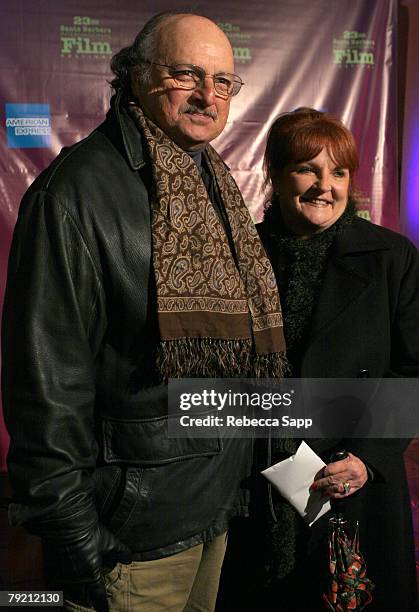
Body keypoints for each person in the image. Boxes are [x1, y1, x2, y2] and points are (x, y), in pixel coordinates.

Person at [1, 12, 288, 612]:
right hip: (133, 536)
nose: (208, 95)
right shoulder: (75, 194)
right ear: (135, 76)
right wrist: (76, 539)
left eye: (223, 81)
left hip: (213, 513)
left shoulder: (211, 181)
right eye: (185, 73)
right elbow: (46, 390)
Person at [217, 108, 418, 612]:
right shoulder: (241, 257)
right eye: (308, 168)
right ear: (276, 175)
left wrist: (367, 458)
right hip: (252, 483)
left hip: (350, 477)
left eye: (340, 172)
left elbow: (414, 370)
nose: (325, 186)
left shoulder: (392, 257)